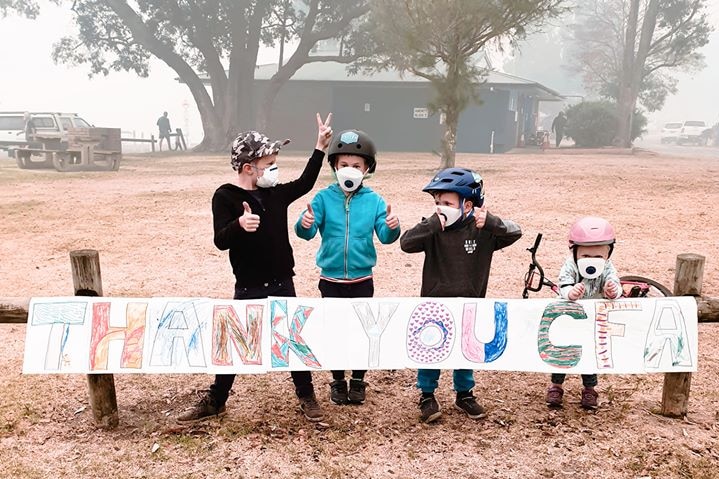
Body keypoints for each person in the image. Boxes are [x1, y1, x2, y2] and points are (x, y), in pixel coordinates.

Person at [177, 113, 333, 423]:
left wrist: (320, 147)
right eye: (269, 163)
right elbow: (221, 240)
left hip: (282, 282)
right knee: (234, 341)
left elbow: (305, 183)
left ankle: (306, 394)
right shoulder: (225, 197)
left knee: (292, 339)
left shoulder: (274, 194)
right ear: (249, 168)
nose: (274, 169)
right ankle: (217, 399)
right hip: (248, 285)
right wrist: (239, 224)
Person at [400, 167, 522, 423]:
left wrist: (491, 222)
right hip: (435, 304)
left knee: (466, 349)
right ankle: (426, 393)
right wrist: (432, 224)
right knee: (431, 348)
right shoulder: (433, 228)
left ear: (467, 205)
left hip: (470, 303)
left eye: (447, 203)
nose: (440, 207)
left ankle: (464, 393)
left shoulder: (483, 231)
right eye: (437, 202)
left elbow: (516, 232)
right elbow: (406, 243)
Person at [294, 129, 401, 406]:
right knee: (336, 332)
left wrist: (392, 227)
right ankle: (338, 380)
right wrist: (304, 225)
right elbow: (306, 231)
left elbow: (386, 237)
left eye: (356, 166)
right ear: (334, 167)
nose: (349, 171)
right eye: (343, 165)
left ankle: (358, 379)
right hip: (330, 280)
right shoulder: (323, 198)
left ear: (368, 169)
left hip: (362, 279)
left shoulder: (375, 201)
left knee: (362, 332)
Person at [545, 216, 622, 410]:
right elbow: (563, 285)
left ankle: (590, 388)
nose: (592, 261)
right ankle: (556, 385)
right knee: (564, 351)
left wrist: (613, 292)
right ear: (574, 252)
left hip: (592, 320)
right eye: (585, 257)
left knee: (589, 353)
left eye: (598, 257)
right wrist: (570, 292)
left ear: (608, 254)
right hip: (568, 317)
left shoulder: (608, 268)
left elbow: (616, 285)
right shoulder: (570, 265)